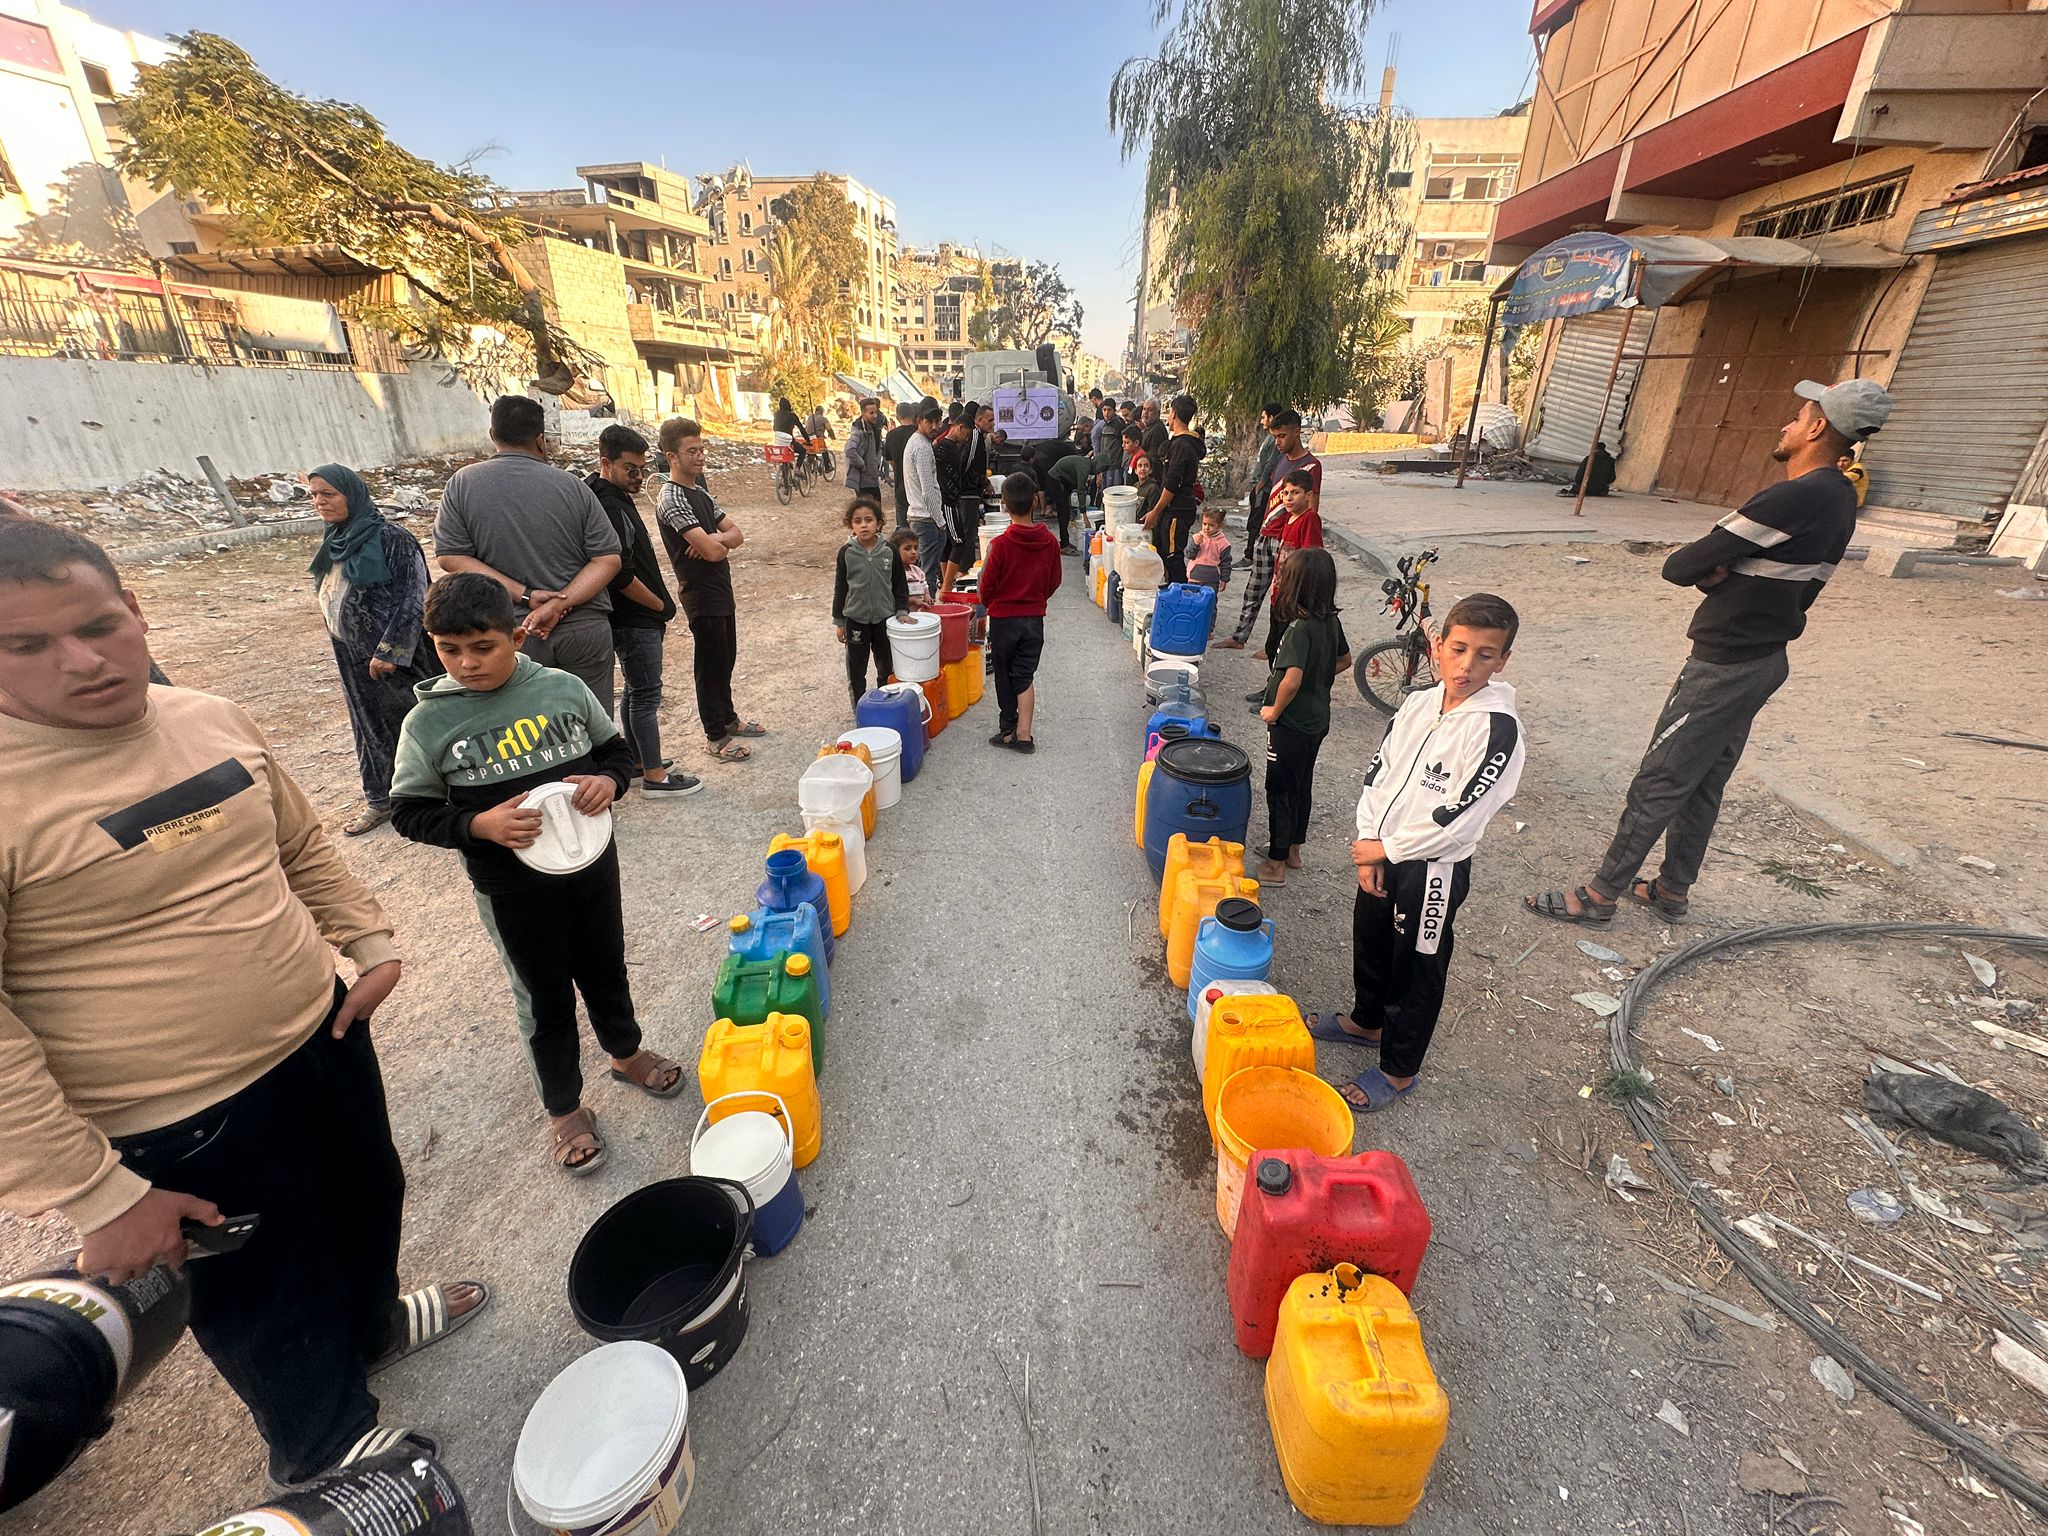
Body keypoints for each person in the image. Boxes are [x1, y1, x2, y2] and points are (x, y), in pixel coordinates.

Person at [0, 519, 484, 1489]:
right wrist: (100, 1194)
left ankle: (374, 1329)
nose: (82, 661)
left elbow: (298, 843)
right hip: (181, 1120)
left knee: (367, 1199)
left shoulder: (207, 716)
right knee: (264, 1291)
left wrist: (370, 943)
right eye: (27, 645)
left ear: (136, 611)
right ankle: (322, 1446)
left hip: (323, 1034)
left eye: (97, 625)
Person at [1526, 380, 1890, 925]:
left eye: (1797, 417)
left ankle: (1600, 896)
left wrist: (1717, 573)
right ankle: (1672, 889)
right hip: (1764, 659)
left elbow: (1680, 566)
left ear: (1817, 428)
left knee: (1662, 776)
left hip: (1724, 663)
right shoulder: (1839, 497)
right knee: (1702, 780)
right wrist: (1725, 574)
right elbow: (1781, 578)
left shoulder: (1793, 496)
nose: (1787, 425)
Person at [391, 574, 684, 1176]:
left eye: (483, 647)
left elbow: (615, 752)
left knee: (605, 966)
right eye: (449, 650)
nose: (467, 663)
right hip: (512, 891)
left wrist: (611, 781)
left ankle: (625, 1053)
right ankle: (564, 1108)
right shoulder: (427, 724)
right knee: (543, 995)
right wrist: (479, 825)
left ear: (517, 636)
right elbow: (409, 812)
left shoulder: (562, 688)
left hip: (592, 867)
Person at [1311, 592, 1525, 1114]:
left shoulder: (1498, 728)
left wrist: (1388, 848)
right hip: (1381, 849)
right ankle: (1367, 1022)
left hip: (1433, 870)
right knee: (1372, 938)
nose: (1466, 666)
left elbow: (1461, 820)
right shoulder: (1417, 703)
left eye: (1485, 655)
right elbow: (1380, 772)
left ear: (1503, 661)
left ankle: (1399, 1068)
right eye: (1458, 649)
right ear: (1438, 646)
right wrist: (1370, 845)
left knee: (1417, 967)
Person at [434, 394, 622, 707]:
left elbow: (451, 557)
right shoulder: (573, 486)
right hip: (583, 630)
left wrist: (526, 596)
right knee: (593, 723)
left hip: (514, 634)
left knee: (528, 727)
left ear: (493, 435)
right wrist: (560, 603)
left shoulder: (462, 484)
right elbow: (607, 559)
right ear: (540, 439)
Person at [306, 463, 439, 836]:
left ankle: (437, 798)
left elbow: (414, 597)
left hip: (397, 659)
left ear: (352, 494)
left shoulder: (392, 539)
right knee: (369, 727)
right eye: (314, 495)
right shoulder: (336, 540)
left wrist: (390, 651)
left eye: (328, 494)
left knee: (414, 725)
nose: (319, 502)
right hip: (353, 656)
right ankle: (381, 798)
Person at [585, 426, 700, 799]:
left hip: (632, 617)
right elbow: (619, 572)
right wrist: (659, 605)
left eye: (642, 468)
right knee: (647, 695)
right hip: (635, 618)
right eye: (630, 469)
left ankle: (638, 761)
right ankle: (655, 777)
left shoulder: (607, 496)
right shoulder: (608, 505)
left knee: (636, 692)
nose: (638, 476)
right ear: (606, 463)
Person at [654, 417, 764, 763]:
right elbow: (717, 552)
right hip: (700, 593)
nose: (700, 456)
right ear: (672, 456)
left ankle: (728, 718)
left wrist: (713, 538)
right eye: (692, 451)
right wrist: (717, 544)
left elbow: (735, 536)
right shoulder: (671, 497)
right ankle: (715, 736)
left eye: (701, 449)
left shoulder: (700, 493)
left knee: (726, 658)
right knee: (710, 664)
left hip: (720, 589)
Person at [1256, 547, 1349, 885]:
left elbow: (1291, 680)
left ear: (1296, 585)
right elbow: (1345, 660)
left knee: (1279, 788)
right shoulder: (1329, 621)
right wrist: (1318, 677)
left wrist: (1274, 710)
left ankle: (1276, 863)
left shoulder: (1298, 629)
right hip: (1317, 720)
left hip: (1290, 724)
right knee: (1301, 784)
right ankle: (1293, 850)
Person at [1220, 407, 1319, 649]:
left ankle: (1274, 647)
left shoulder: (1311, 466)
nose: (1278, 442)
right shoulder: (1280, 459)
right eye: (1275, 437)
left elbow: (1311, 508)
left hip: (1287, 540)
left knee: (1283, 595)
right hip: (1266, 534)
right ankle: (1239, 637)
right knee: (1254, 590)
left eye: (1282, 436)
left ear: (1297, 432)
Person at [977, 474, 1062, 752]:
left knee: (1004, 674)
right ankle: (1024, 734)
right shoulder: (1049, 542)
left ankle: (1008, 728)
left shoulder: (999, 546)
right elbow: (1054, 580)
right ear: (1035, 502)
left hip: (1003, 621)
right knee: (1024, 674)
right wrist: (1037, 599)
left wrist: (990, 602)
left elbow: (985, 588)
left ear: (1003, 505)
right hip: (1033, 620)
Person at [833, 497, 911, 707]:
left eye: (869, 520)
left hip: (884, 619)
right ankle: (860, 710)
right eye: (857, 521)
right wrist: (839, 622)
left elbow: (899, 585)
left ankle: (885, 706)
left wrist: (902, 611)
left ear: (879, 523)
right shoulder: (846, 553)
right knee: (856, 671)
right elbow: (840, 588)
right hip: (855, 621)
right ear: (851, 525)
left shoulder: (889, 551)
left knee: (886, 668)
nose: (864, 525)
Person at [1151, 393, 1204, 585]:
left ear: (1173, 414)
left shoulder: (1182, 445)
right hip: (1174, 508)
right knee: (1164, 551)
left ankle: (1181, 593)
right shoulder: (1180, 442)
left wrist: (1155, 512)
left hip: (1178, 508)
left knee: (1173, 556)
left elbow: (1172, 484)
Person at [904, 400, 948, 596]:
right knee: (928, 575)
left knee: (921, 573)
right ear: (919, 420)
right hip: (926, 518)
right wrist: (940, 522)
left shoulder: (917, 442)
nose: (935, 426)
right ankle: (926, 611)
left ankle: (921, 607)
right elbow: (927, 490)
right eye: (929, 421)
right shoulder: (921, 446)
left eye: (937, 421)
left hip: (920, 515)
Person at [934, 412, 976, 596]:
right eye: (967, 434)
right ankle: (946, 588)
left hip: (949, 500)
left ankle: (946, 583)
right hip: (947, 501)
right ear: (960, 427)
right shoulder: (944, 447)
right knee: (959, 542)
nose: (967, 439)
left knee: (948, 543)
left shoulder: (946, 446)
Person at [1245, 403, 1282, 560]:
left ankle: (1250, 556)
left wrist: (1260, 485)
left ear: (1271, 418)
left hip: (1264, 487)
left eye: (1263, 417)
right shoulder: (1269, 438)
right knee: (1254, 520)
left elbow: (1270, 464)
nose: (1261, 421)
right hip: (1259, 485)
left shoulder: (1274, 440)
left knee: (1256, 522)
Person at [884, 401, 919, 529]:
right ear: (913, 415)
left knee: (903, 527)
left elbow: (891, 461)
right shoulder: (919, 433)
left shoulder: (891, 435)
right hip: (917, 486)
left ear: (897, 416)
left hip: (900, 485)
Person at [846, 397, 886, 501]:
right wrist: (862, 464)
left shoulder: (873, 428)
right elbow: (849, 449)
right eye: (871, 413)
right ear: (863, 414)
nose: (875, 415)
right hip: (864, 483)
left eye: (876, 412)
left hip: (873, 481)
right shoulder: (859, 431)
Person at [1187, 504, 1233, 592]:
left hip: (1211, 581)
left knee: (1209, 600)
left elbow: (1226, 564)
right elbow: (1189, 555)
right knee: (1192, 599)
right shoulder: (1197, 537)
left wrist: (1224, 579)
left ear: (1219, 525)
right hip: (1194, 578)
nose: (1206, 528)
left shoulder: (1224, 544)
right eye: (1204, 524)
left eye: (1211, 525)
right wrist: (1195, 544)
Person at [892, 524, 931, 608]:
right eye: (907, 548)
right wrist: (913, 601)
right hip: (904, 612)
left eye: (915, 548)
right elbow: (895, 596)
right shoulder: (895, 573)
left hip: (920, 611)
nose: (913, 552)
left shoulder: (918, 571)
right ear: (896, 551)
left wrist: (927, 596)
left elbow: (924, 586)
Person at [805, 401, 836, 477]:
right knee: (824, 451)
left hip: (807, 438)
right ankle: (827, 467)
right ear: (822, 412)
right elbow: (829, 429)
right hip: (817, 438)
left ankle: (810, 462)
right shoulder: (823, 419)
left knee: (811, 451)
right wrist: (832, 437)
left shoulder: (809, 417)